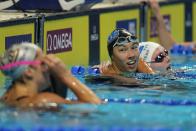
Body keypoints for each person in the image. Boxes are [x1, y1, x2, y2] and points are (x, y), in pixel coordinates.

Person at [0, 43, 101, 109]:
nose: (49, 68)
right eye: (43, 63)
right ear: (29, 71)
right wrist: (65, 75)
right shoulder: (44, 100)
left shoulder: (5, 98)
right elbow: (94, 105)